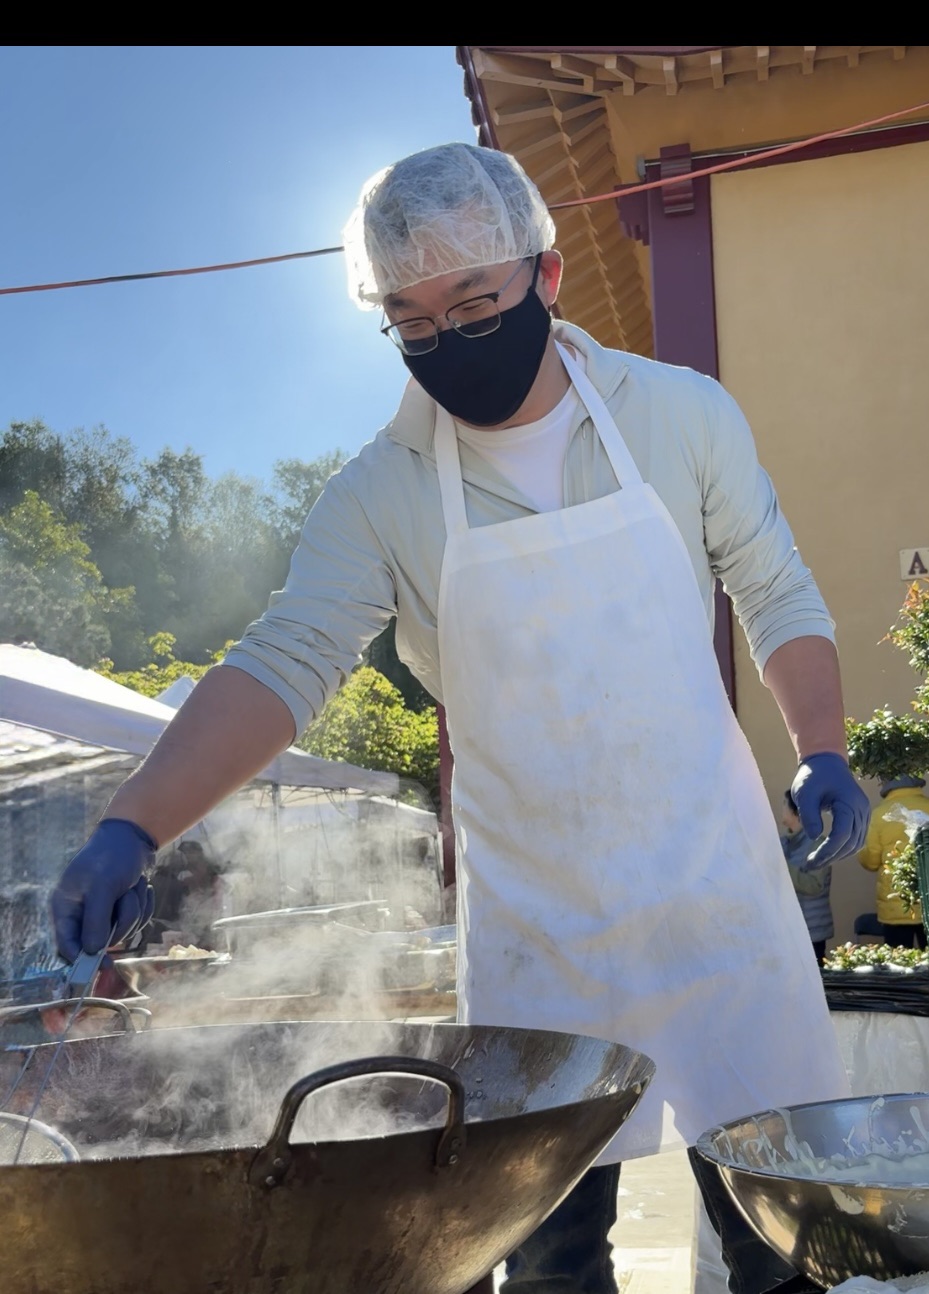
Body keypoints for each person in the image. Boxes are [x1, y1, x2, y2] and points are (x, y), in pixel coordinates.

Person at [50, 143, 870, 1294]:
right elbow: (287, 658)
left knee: (781, 1238)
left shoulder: (678, 416)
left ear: (541, 277)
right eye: (411, 320)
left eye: (473, 301)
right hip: (540, 930)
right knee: (542, 1257)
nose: (446, 338)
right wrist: (135, 821)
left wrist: (819, 746)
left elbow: (773, 588)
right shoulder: (379, 493)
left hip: (714, 897)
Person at [859, 774, 929, 949]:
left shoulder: (879, 814)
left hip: (895, 906)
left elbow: (870, 862)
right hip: (927, 902)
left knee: (899, 968)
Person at [780, 788, 833, 962]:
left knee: (818, 985)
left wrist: (782, 867)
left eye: (784, 805)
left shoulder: (818, 845)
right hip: (787, 931)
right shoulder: (781, 843)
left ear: (796, 811)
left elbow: (814, 885)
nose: (781, 809)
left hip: (812, 931)